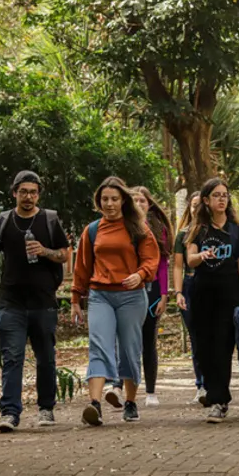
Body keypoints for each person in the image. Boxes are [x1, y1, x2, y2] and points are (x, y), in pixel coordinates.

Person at [0, 170, 70, 432]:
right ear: (14, 192)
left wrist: (44, 250)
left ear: (39, 194)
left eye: (33, 192)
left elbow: (64, 255)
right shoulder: (4, 221)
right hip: (11, 302)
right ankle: (10, 413)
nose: (28, 196)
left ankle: (46, 409)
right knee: (12, 357)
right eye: (23, 191)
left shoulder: (49, 220)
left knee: (46, 358)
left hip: (43, 302)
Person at [71, 177, 159, 426]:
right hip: (100, 295)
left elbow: (151, 259)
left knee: (130, 350)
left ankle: (130, 402)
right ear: (99, 202)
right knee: (98, 345)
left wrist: (140, 274)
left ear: (123, 201)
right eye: (104, 199)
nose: (109, 204)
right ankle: (95, 405)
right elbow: (82, 267)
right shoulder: (92, 230)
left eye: (114, 199)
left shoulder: (138, 228)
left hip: (131, 296)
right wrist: (76, 298)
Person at [185, 178, 239, 423]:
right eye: (216, 195)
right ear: (206, 200)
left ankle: (220, 400)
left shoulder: (237, 232)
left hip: (228, 297)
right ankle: (213, 391)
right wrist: (201, 255)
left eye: (225, 195)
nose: (222, 199)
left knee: (223, 348)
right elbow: (189, 259)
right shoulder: (199, 229)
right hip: (201, 295)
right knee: (203, 349)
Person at [104, 186, 172, 409]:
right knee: (121, 337)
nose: (139, 204)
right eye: (134, 200)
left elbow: (162, 263)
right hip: (123, 290)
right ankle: (117, 386)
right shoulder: (117, 226)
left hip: (151, 290)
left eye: (142, 200)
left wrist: (164, 294)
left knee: (147, 338)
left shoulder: (157, 228)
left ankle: (150, 390)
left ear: (148, 204)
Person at [173, 191, 206, 405]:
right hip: (190, 286)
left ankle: (215, 382)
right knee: (196, 337)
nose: (196, 209)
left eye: (200, 205)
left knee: (213, 336)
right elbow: (177, 266)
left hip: (213, 286)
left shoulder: (216, 231)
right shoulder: (182, 235)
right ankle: (201, 385)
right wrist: (178, 293)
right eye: (193, 205)